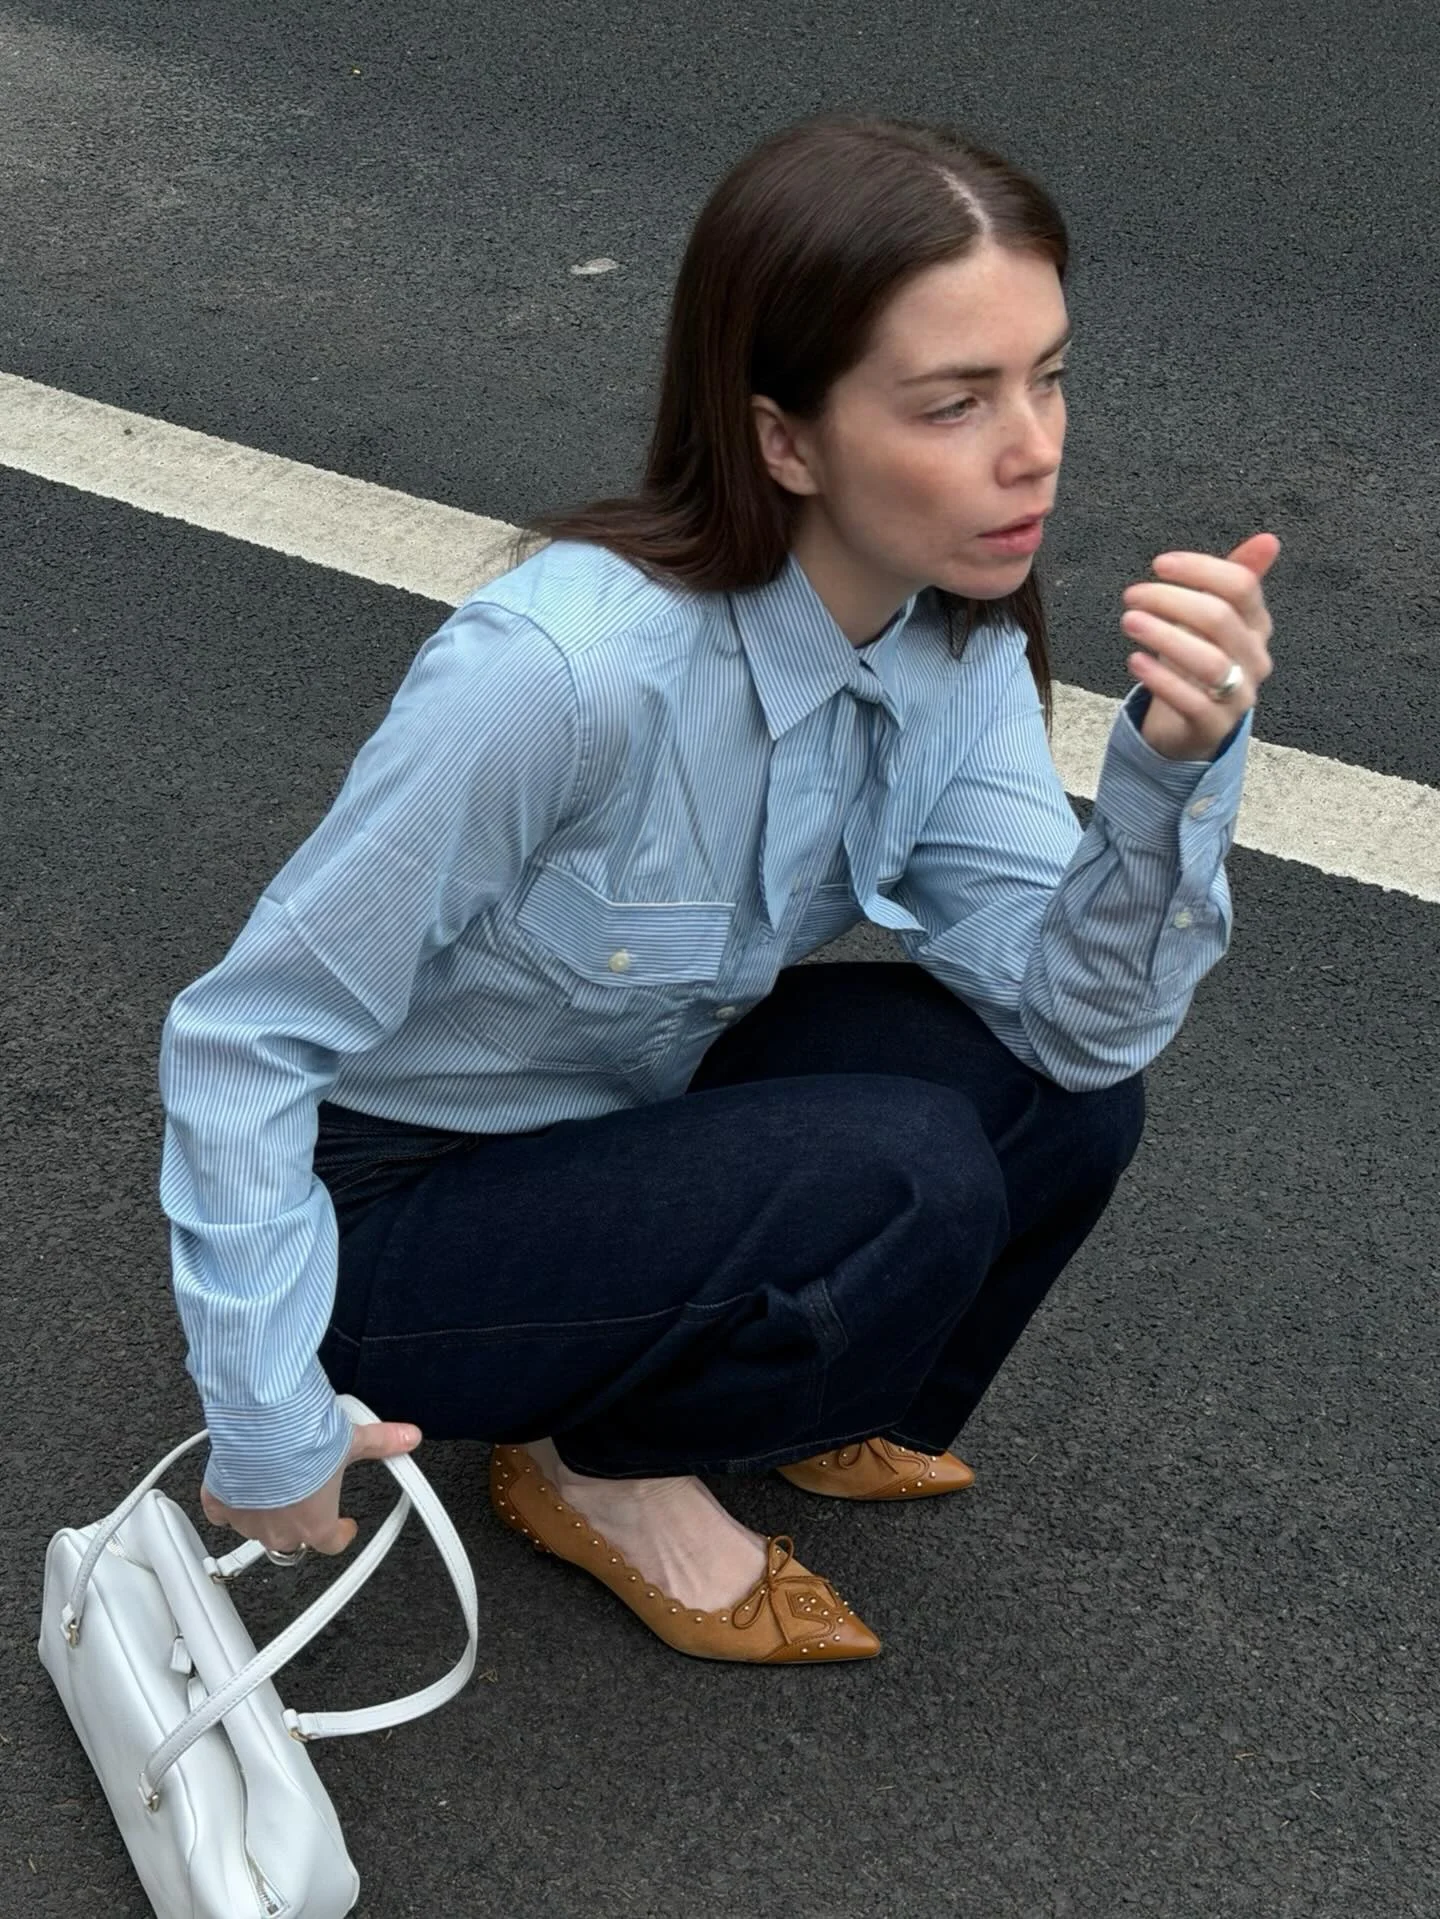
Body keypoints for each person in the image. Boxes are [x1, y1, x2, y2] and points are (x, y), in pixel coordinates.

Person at [159, 114, 1277, 1666]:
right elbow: (242, 1038)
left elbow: (1081, 1025)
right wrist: (267, 1413)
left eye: (1050, 374)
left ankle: (814, 1389)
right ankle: (597, 1466)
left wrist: (1177, 766)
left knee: (1061, 1104)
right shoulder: (563, 676)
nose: (1034, 446)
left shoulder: (951, 641)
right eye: (954, 402)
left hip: (620, 1113)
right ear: (785, 440)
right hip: (392, 1211)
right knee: (905, 1172)